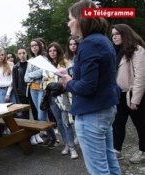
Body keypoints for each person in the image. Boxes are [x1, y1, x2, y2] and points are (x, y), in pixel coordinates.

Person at [61, 1, 121, 174]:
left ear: (81, 19)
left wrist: (68, 82)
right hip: (104, 108)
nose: (68, 23)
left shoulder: (89, 44)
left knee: (99, 170)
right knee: (110, 161)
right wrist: (71, 73)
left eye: (71, 18)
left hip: (92, 113)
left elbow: (88, 87)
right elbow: (97, 75)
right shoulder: (102, 40)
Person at [111, 24, 145, 163]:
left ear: (125, 34)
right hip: (119, 94)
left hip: (134, 95)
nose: (114, 36)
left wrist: (135, 99)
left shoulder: (137, 50)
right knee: (118, 123)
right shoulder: (116, 50)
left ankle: (143, 151)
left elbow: (141, 77)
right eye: (112, 34)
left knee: (141, 124)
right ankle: (116, 150)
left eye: (117, 34)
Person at [46, 42, 78, 159]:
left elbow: (70, 77)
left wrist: (59, 84)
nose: (52, 53)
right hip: (53, 97)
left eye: (54, 50)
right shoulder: (47, 65)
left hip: (64, 96)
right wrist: (50, 85)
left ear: (58, 51)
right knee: (59, 123)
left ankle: (72, 147)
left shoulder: (66, 62)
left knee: (67, 123)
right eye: (50, 51)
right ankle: (66, 144)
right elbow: (45, 80)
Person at [24, 39, 57, 147]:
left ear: (39, 46)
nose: (34, 47)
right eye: (32, 45)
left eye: (36, 45)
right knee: (43, 115)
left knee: (41, 115)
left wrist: (31, 75)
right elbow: (25, 78)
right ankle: (52, 138)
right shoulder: (30, 60)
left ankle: (52, 137)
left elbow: (44, 72)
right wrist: (34, 75)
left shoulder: (44, 58)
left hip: (42, 89)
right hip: (33, 89)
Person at [12, 47, 30, 119]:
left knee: (36, 112)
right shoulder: (16, 67)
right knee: (25, 113)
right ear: (18, 55)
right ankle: (27, 129)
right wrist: (17, 96)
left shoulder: (30, 64)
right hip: (22, 93)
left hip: (31, 91)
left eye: (23, 53)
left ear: (26, 53)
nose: (22, 55)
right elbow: (14, 83)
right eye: (20, 53)